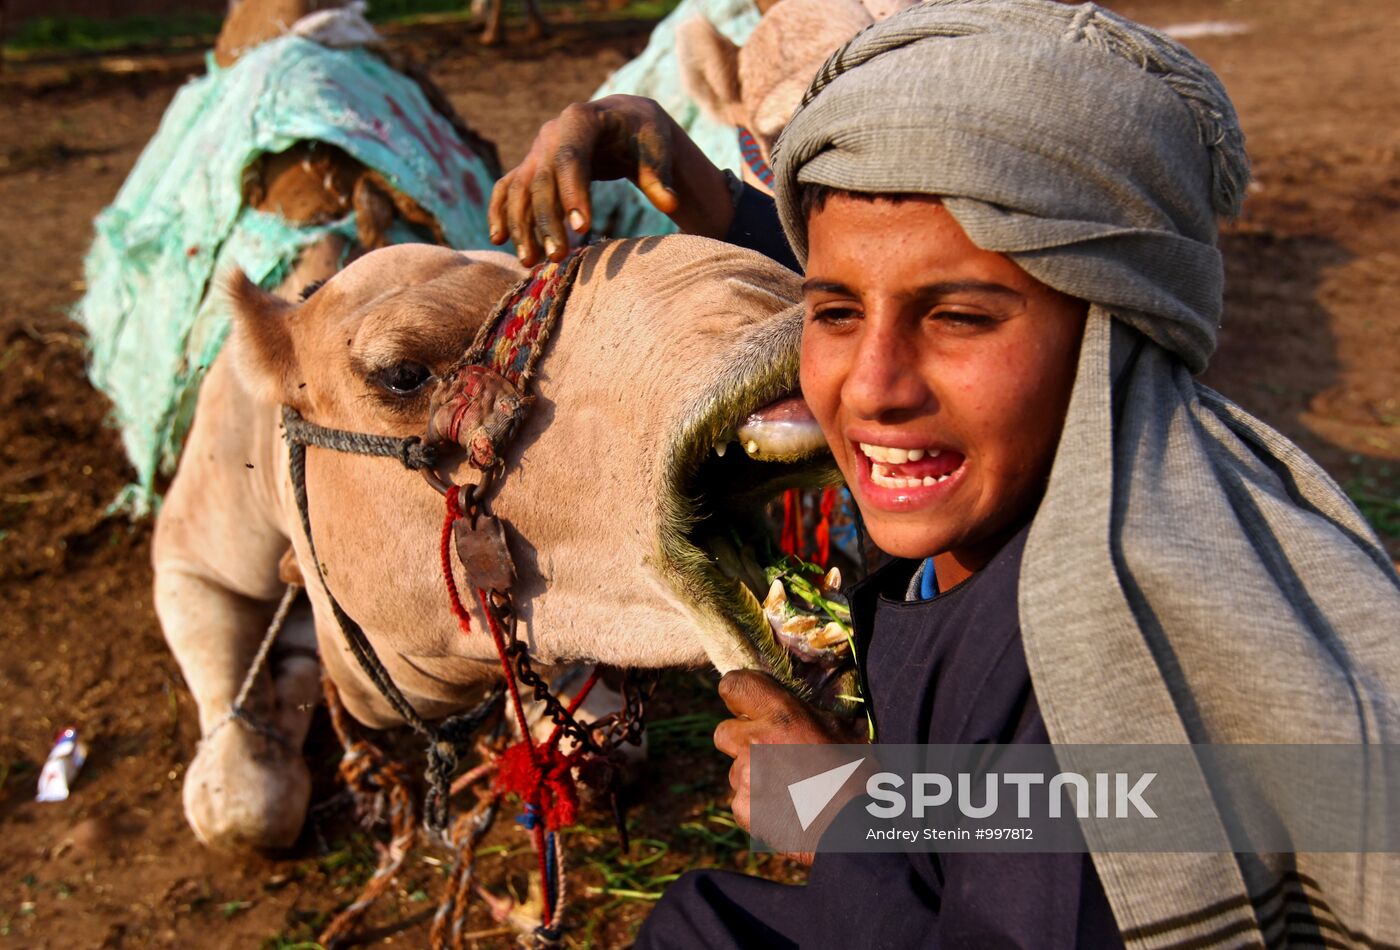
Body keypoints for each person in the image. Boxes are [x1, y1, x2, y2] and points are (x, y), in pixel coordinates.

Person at [491, 1, 1400, 946]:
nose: (872, 389)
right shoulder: (1101, 486)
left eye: (959, 319)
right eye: (834, 313)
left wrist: (856, 814)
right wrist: (667, 156)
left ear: (1113, 329)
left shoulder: (1111, 667)